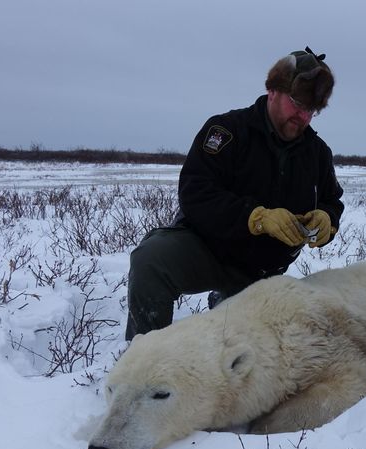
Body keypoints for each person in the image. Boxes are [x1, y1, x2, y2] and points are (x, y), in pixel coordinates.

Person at [124, 47, 344, 340]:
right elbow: (195, 193)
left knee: (239, 343)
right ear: (273, 91)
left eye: (312, 110)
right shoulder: (226, 131)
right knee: (150, 261)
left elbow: (331, 201)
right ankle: (142, 356)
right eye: (297, 103)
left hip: (262, 272)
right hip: (207, 249)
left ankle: (227, 303)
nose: (303, 116)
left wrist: (326, 219)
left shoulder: (317, 153)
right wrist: (256, 218)